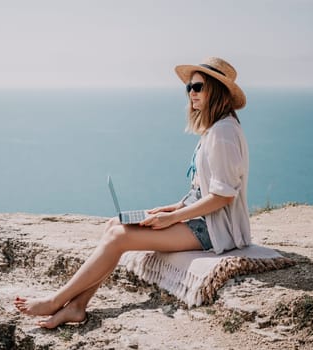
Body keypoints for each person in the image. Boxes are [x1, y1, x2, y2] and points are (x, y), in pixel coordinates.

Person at [14, 57, 251, 329]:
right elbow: (202, 191)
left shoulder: (222, 133)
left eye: (197, 87)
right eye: (189, 88)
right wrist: (170, 209)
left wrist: (173, 219)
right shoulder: (216, 130)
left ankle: (56, 301)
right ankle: (77, 307)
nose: (191, 94)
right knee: (115, 224)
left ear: (216, 91)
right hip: (201, 221)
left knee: (119, 236)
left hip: (214, 230)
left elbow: (223, 196)